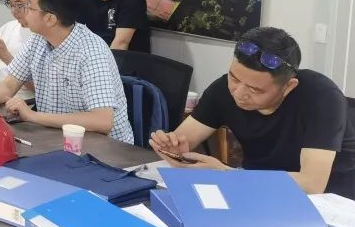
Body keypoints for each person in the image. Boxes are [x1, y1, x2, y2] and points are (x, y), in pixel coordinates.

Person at [151, 27, 355, 198]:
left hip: (332, 201)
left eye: (255, 89)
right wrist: (173, 150)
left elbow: (312, 184)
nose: (238, 93)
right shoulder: (223, 89)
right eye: (234, 78)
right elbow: (182, 139)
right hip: (255, 186)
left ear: (288, 87)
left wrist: (226, 173)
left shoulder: (321, 97)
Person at [0, 0, 133, 144]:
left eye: (29, 7)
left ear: (50, 19)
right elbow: (10, 84)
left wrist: (33, 116)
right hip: (55, 137)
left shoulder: (91, 52)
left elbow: (102, 121)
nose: (24, 12)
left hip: (104, 148)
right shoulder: (38, 39)